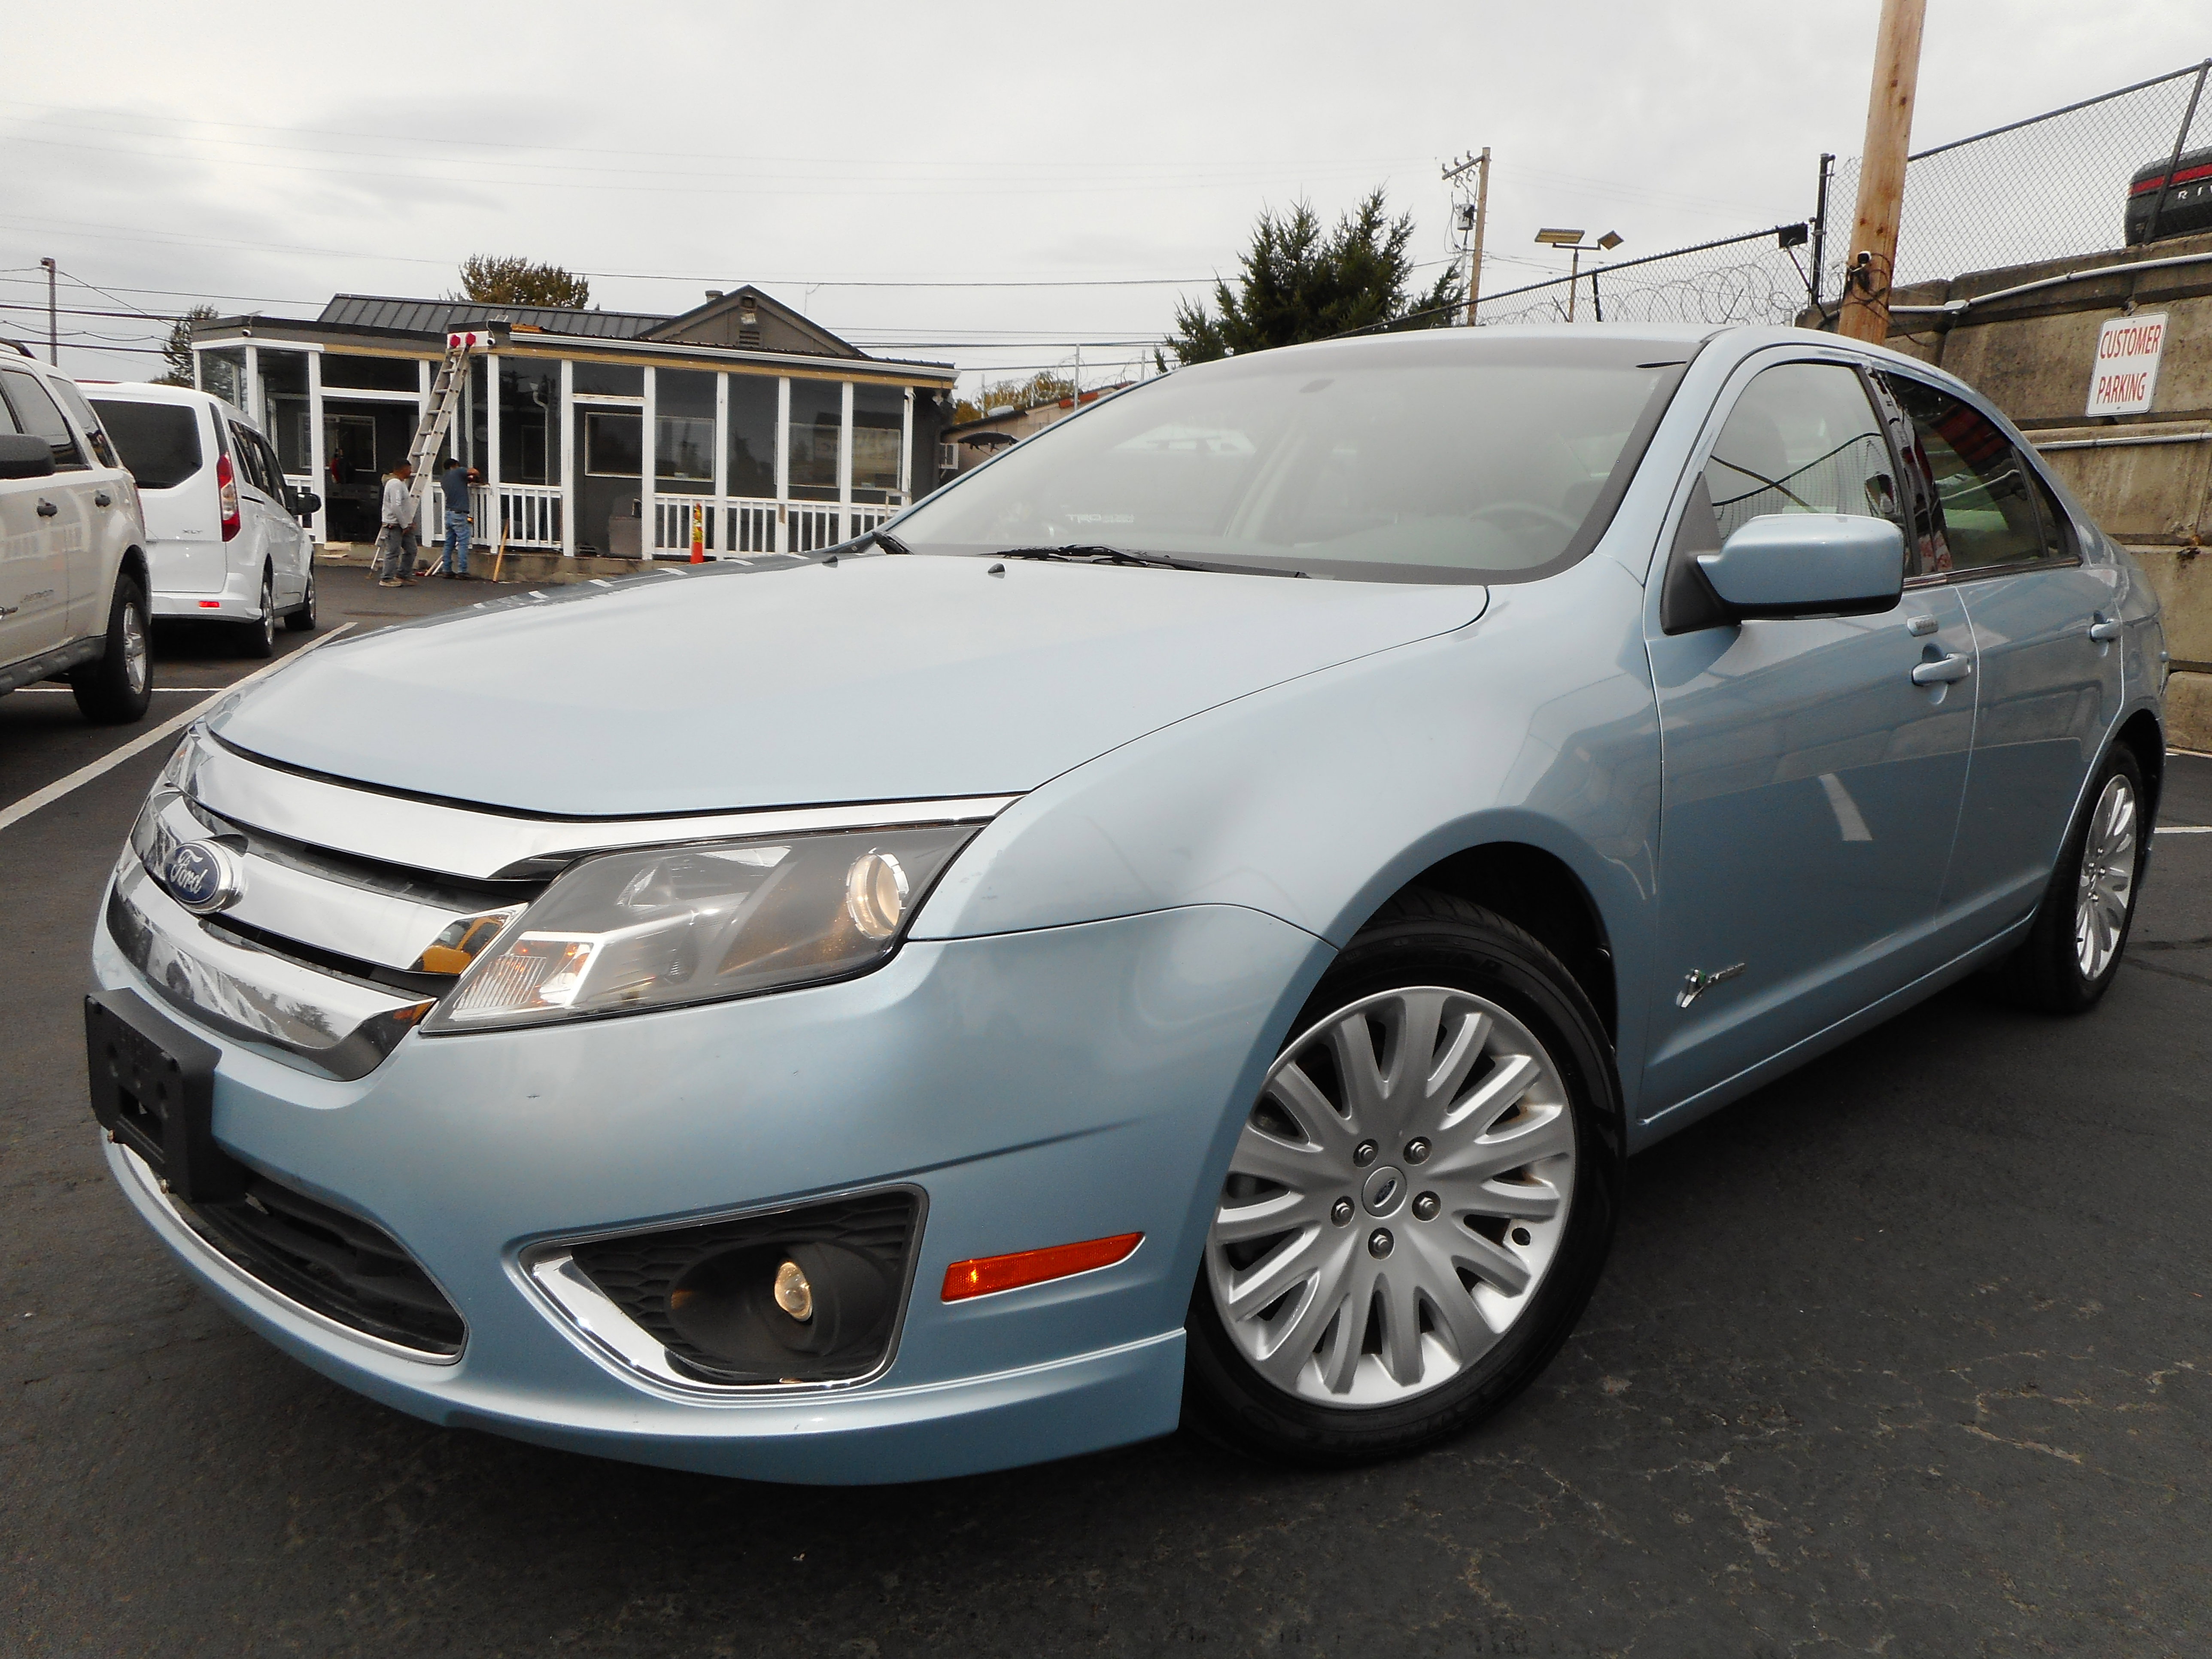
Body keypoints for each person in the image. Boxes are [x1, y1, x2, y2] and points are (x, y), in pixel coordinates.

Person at [378, 460, 419, 588]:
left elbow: (403, 506)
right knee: (393, 551)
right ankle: (387, 578)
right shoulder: (395, 484)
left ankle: (403, 574)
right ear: (403, 469)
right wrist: (404, 525)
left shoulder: (400, 483)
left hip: (403, 524)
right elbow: (396, 506)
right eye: (409, 469)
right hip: (394, 524)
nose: (411, 472)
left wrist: (409, 522)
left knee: (412, 550)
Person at [440, 461, 480, 579]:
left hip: (449, 513)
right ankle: (462, 571)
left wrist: (469, 479)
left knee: (449, 543)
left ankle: (447, 570)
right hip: (459, 513)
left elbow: (463, 482)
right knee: (463, 542)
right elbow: (474, 471)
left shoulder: (444, 478)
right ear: (454, 466)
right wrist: (476, 476)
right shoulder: (457, 472)